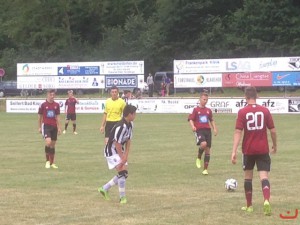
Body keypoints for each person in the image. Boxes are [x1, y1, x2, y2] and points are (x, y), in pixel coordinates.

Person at [231, 86, 277, 216]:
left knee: (248, 178)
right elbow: (273, 130)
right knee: (264, 177)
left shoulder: (242, 112)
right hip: (263, 149)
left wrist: (234, 151)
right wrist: (274, 145)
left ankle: (249, 205)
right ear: (257, 96)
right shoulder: (265, 111)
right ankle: (266, 200)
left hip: (248, 149)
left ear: (245, 97)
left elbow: (238, 132)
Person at [98, 104, 137, 204]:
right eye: (134, 114)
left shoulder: (130, 124)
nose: (135, 115)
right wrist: (122, 157)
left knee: (123, 173)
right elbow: (117, 143)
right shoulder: (121, 126)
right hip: (111, 151)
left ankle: (104, 188)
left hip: (119, 150)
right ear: (129, 114)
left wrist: (126, 156)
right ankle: (122, 198)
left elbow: (128, 141)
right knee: (122, 172)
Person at [188, 92, 217, 175]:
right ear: (200, 99)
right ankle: (199, 156)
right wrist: (193, 126)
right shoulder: (195, 110)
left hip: (207, 131)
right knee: (203, 144)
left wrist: (214, 128)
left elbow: (211, 120)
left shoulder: (208, 110)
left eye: (206, 100)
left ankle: (205, 169)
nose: (205, 101)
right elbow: (190, 119)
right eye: (204, 99)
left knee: (208, 150)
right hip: (199, 130)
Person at [38, 89, 61, 169]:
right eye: (51, 95)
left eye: (53, 95)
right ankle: (47, 161)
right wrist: (39, 127)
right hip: (46, 126)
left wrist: (59, 127)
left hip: (54, 126)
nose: (52, 96)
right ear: (47, 95)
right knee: (48, 142)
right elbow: (40, 117)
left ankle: (52, 163)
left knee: (53, 145)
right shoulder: (43, 105)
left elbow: (57, 116)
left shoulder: (56, 105)